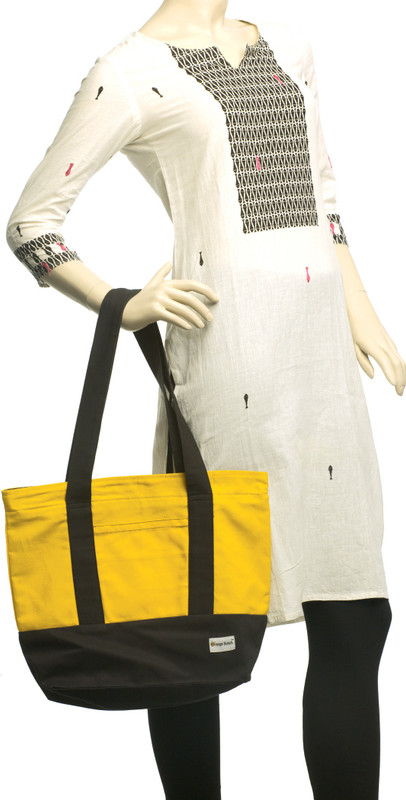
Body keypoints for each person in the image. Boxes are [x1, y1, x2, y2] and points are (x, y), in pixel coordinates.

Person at [6, 3, 403, 798]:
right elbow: (31, 224)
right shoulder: (128, 69)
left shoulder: (289, 45)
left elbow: (323, 198)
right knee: (195, 616)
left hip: (321, 359)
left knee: (355, 615)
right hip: (229, 356)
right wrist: (122, 303)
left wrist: (363, 313)